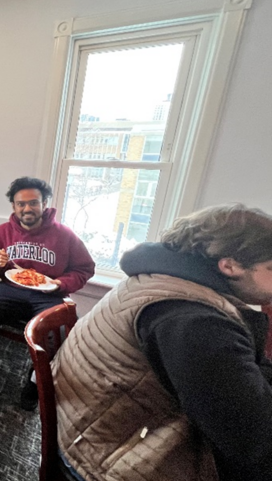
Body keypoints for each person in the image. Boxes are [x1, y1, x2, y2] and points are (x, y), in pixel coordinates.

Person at [52, 204, 272, 481]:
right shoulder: (194, 320)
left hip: (85, 425)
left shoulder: (154, 277)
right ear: (229, 265)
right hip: (102, 456)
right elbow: (253, 440)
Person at [0, 176, 94, 424]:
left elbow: (85, 269)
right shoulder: (2, 232)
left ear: (44, 203)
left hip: (48, 293)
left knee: (59, 330)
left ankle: (34, 381)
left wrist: (60, 284)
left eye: (33, 203)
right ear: (13, 206)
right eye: (21, 204)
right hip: (9, 290)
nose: (27, 209)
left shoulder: (64, 235)